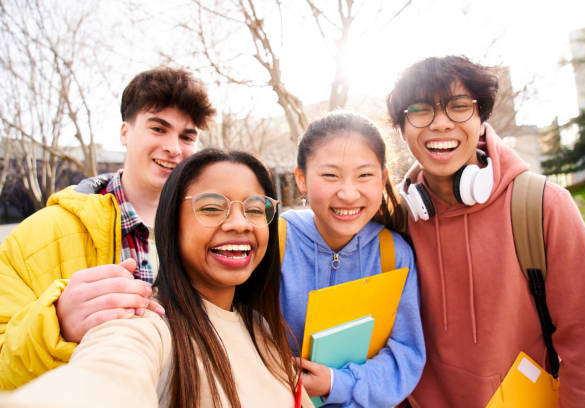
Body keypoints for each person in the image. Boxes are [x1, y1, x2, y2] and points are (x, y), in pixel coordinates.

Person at [1, 148, 314, 408]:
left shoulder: (261, 326)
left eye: (256, 209)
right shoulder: (148, 324)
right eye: (211, 208)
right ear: (171, 223)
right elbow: (103, 378)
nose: (239, 223)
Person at [386, 55, 585, 407]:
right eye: (420, 110)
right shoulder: (398, 219)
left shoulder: (543, 205)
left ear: (481, 120)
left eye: (459, 107)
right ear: (401, 129)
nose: (441, 123)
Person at [0, 67, 215, 389]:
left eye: (187, 136)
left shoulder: (217, 228)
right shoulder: (42, 233)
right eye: (158, 128)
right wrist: (56, 325)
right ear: (125, 133)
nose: (174, 148)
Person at [279, 111, 426, 407]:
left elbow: (405, 355)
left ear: (383, 180)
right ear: (302, 180)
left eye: (364, 175)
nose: (348, 193)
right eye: (330, 175)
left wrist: (337, 383)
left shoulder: (393, 253)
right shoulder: (277, 242)